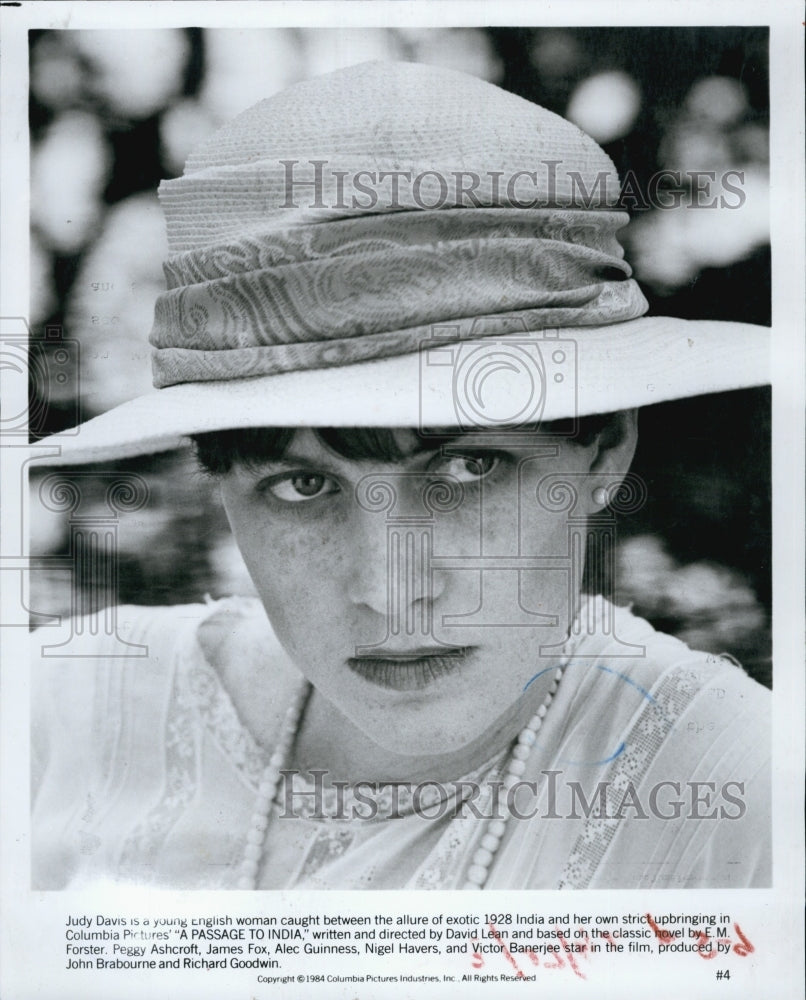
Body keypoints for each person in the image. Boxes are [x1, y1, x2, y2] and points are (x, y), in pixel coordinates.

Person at [30, 61, 770, 891]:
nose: (389, 590)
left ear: (604, 449)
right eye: (301, 486)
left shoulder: (741, 791)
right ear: (220, 482)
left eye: (466, 467)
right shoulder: (57, 716)